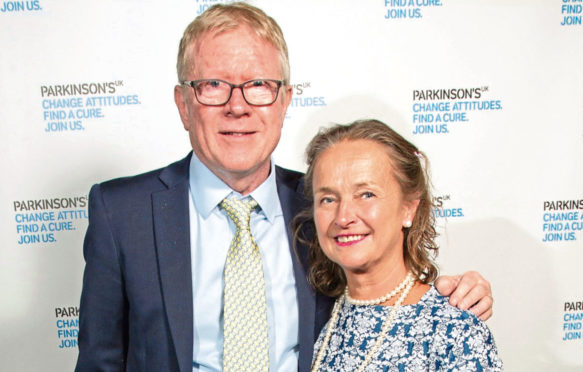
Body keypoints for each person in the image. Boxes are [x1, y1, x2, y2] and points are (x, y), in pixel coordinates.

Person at [75, 3, 494, 372]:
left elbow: (384, 283)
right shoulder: (121, 213)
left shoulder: (321, 207)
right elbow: (99, 364)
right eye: (213, 85)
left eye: (258, 85)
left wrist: (455, 294)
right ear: (184, 104)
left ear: (285, 100)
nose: (237, 106)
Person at [294, 119, 502, 371]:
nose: (343, 216)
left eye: (366, 194)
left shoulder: (453, 331)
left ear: (409, 208)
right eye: (328, 199)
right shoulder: (321, 317)